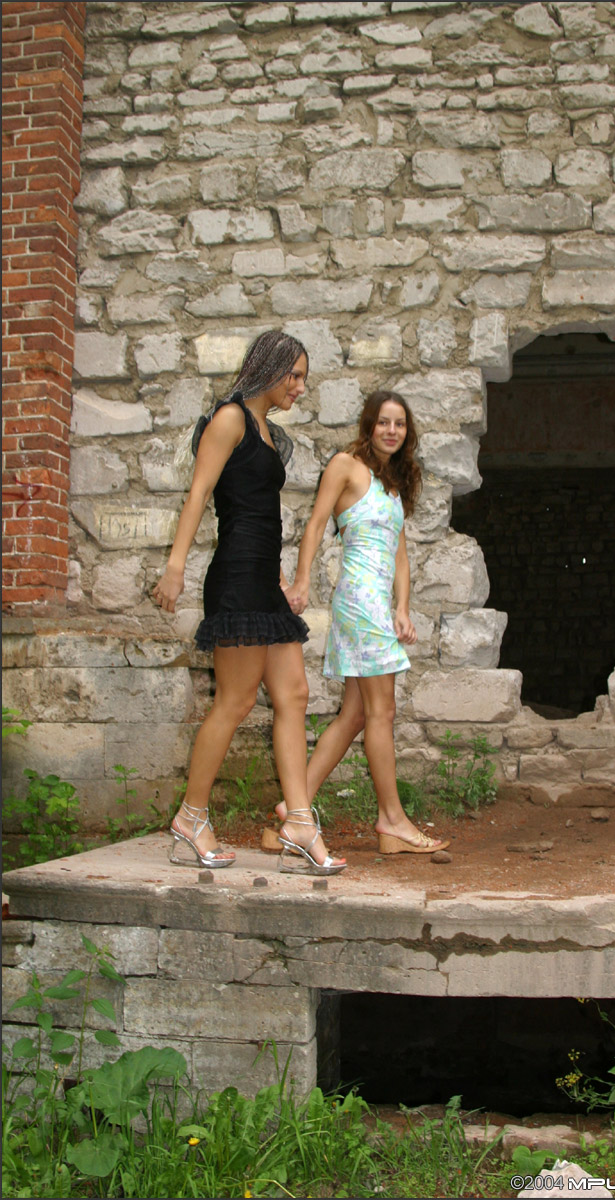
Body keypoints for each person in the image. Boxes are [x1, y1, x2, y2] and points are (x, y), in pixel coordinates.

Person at [152, 330, 346, 877]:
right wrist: (175, 568)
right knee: (235, 702)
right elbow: (199, 494)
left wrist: (281, 576)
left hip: (262, 578)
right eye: (295, 375)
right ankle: (191, 818)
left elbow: (262, 511)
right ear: (270, 367)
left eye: (303, 378)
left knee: (294, 694)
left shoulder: (267, 430)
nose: (300, 387)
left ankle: (300, 823)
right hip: (236, 577)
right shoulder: (230, 419)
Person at [280, 390, 449, 855]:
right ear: (369, 425)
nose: (392, 431)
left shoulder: (392, 485)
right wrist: (302, 581)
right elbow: (317, 524)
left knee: (356, 714)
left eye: (400, 424)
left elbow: (399, 552)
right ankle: (391, 819)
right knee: (382, 712)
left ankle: (294, 807)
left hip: (377, 607)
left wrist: (403, 608)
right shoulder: (345, 466)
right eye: (384, 422)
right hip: (359, 602)